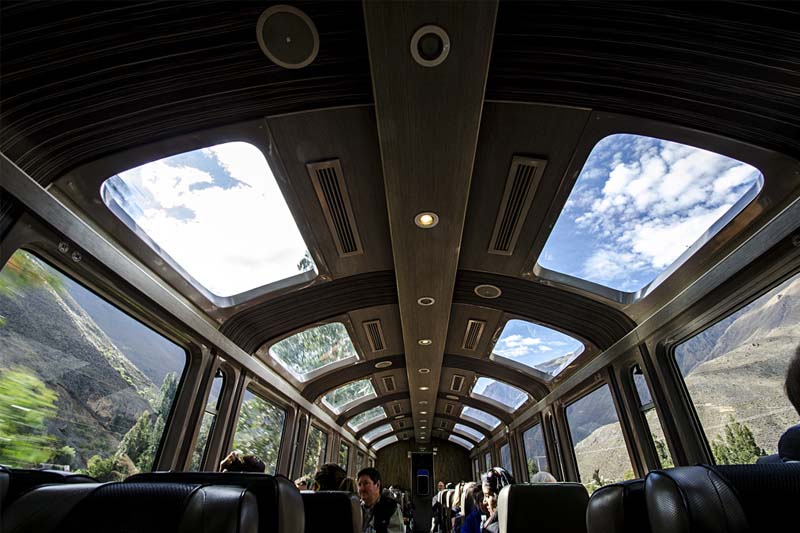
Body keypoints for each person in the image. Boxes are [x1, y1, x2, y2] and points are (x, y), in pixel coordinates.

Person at [357, 467, 404, 533]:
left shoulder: (391, 508)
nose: (361, 488)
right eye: (359, 484)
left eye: (366, 483)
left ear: (378, 485)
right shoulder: (356, 508)